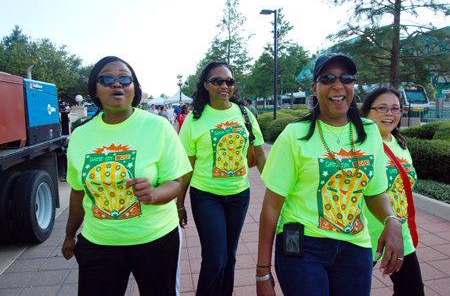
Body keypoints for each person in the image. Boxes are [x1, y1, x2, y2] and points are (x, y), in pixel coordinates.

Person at [256, 53, 404, 296]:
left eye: (346, 78)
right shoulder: (295, 135)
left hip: (355, 246)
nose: (338, 85)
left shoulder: (369, 133)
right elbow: (271, 207)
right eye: (327, 79)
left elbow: (375, 192)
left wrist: (391, 220)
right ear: (315, 88)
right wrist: (263, 270)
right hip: (303, 245)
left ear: (353, 85)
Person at [61, 56, 192, 296]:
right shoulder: (80, 136)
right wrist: (70, 235)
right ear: (95, 90)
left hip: (156, 239)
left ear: (134, 89)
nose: (116, 84)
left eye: (124, 79)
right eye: (107, 79)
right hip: (99, 242)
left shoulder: (158, 127)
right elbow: (78, 191)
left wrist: (153, 194)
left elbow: (176, 182)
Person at [177, 61, 266, 295]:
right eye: (217, 81)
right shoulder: (194, 119)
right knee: (214, 259)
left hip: (239, 195)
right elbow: (187, 167)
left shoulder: (244, 113)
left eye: (229, 81)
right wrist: (179, 205)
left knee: (230, 257)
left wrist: (276, 190)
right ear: (206, 85)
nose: (224, 85)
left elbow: (259, 154)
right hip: (206, 195)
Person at [361, 87, 424, 296]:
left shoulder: (400, 143)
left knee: (412, 291)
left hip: (399, 235)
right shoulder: (358, 145)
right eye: (382, 108)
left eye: (395, 109)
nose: (390, 113)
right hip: (364, 236)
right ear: (367, 112)